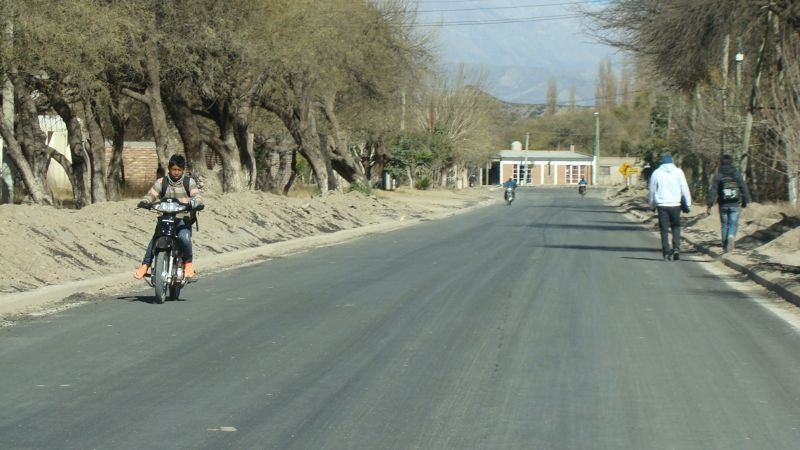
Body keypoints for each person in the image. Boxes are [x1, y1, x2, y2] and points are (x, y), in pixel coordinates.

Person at [134, 155, 204, 279]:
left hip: (183, 218)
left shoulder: (189, 182)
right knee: (156, 239)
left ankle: (188, 263)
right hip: (165, 218)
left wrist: (196, 203)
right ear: (169, 169)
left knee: (184, 237)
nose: (176, 172)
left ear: (183, 170)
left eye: (179, 170)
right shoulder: (162, 182)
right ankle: (145, 265)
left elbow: (196, 196)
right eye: (173, 169)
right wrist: (145, 201)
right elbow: (151, 194)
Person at [648, 154, 692, 261]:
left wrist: (652, 204)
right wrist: (688, 202)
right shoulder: (678, 172)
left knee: (664, 230)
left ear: (662, 162)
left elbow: (652, 190)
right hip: (675, 204)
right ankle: (676, 249)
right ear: (672, 162)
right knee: (676, 227)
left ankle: (666, 252)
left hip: (662, 205)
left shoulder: (657, 173)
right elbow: (684, 187)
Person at [707, 154, 750, 252]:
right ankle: (731, 236)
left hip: (723, 204)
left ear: (721, 163)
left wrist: (709, 204)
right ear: (731, 162)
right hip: (735, 203)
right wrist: (745, 201)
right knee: (733, 224)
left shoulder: (718, 175)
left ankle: (724, 246)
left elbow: (713, 191)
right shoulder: (736, 174)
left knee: (724, 224)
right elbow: (743, 188)